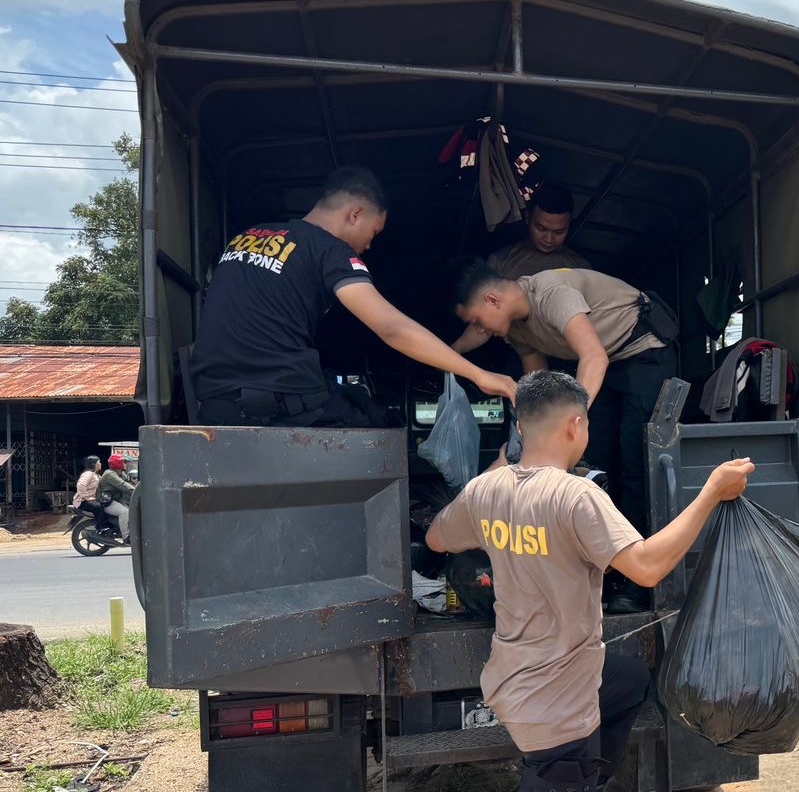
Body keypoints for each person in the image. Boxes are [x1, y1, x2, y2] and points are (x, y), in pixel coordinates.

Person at [425, 370, 753, 792]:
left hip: (516, 675)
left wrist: (490, 496)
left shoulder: (485, 490)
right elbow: (646, 567)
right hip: (554, 707)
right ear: (576, 425)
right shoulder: (577, 497)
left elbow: (438, 538)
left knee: (627, 682)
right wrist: (712, 491)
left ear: (521, 424)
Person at [191, 166, 517, 427]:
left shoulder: (247, 237)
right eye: (373, 233)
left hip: (216, 402)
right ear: (355, 214)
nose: (370, 246)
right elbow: (391, 327)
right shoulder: (330, 250)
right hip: (280, 400)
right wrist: (477, 374)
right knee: (381, 424)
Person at [453, 262, 674, 535]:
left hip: (643, 353)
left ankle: (639, 558)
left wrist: (567, 419)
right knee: (594, 456)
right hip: (608, 364)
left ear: (492, 300)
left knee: (635, 458)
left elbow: (594, 356)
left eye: (476, 321)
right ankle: (603, 553)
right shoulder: (515, 330)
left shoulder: (551, 293)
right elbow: (539, 384)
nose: (480, 330)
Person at [451, 183, 591, 356]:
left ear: (570, 224)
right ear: (527, 218)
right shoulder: (501, 261)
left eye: (559, 232)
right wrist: (455, 351)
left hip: (565, 354)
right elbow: (482, 323)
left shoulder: (580, 268)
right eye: (541, 228)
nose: (548, 238)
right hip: (514, 352)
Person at [98, 453, 135, 539]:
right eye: (124, 462)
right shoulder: (110, 474)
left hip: (117, 500)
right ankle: (126, 537)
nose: (126, 464)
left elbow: (129, 483)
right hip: (108, 502)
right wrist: (137, 492)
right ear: (118, 463)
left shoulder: (120, 473)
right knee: (125, 512)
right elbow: (123, 485)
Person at [72, 456, 110, 534]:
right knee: (98, 507)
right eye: (98, 462)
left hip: (91, 499)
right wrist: (87, 497)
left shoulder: (96, 475)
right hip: (83, 501)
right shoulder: (88, 474)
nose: (100, 464)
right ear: (93, 464)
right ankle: (103, 528)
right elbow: (81, 485)